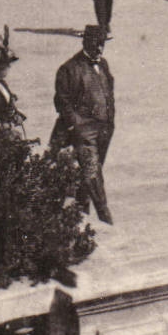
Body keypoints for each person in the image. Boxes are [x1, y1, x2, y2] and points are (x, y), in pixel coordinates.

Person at [51, 25, 116, 225]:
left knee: (90, 176)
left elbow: (109, 91)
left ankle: (81, 216)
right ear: (85, 43)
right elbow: (62, 101)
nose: (99, 48)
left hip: (104, 129)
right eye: (96, 44)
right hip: (84, 132)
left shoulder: (103, 64)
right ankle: (105, 219)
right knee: (92, 173)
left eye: (102, 44)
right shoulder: (69, 69)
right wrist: (76, 126)